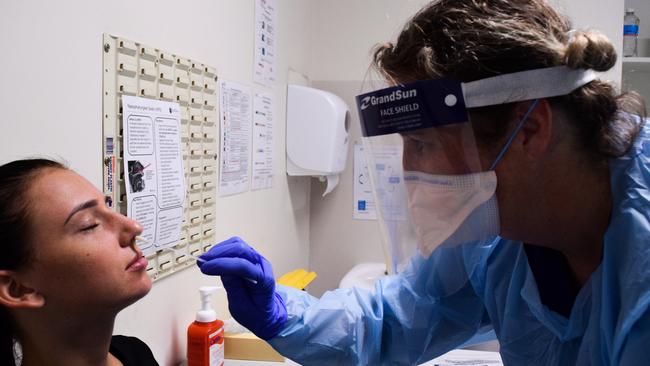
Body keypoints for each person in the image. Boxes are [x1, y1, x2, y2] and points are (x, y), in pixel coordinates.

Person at [198, 0, 650, 365]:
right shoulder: (498, 240)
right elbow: (400, 315)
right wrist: (286, 316)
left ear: (529, 130)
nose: (410, 167)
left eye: (421, 142)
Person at [0, 159, 158, 366]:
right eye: (89, 225)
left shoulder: (135, 354)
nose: (134, 227)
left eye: (108, 207)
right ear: (18, 288)